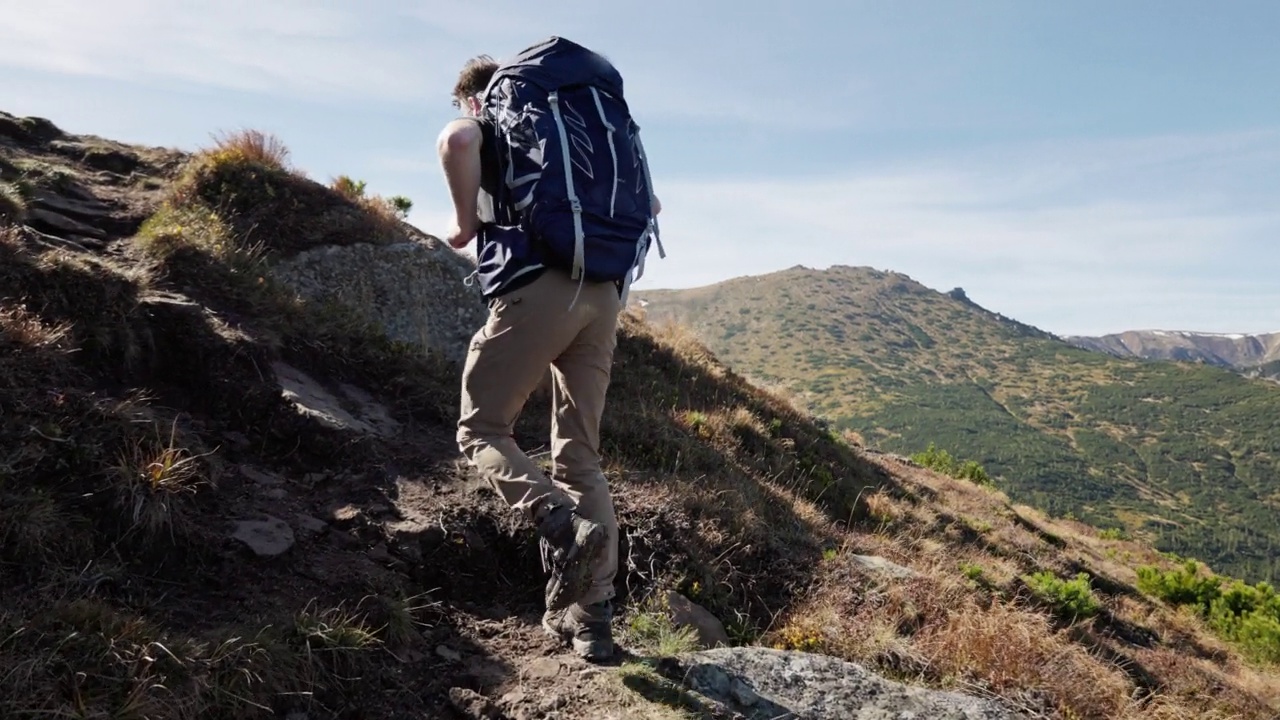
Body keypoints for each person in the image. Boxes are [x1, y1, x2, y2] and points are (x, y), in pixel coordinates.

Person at [436, 46, 662, 662]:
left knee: (481, 428)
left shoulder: (486, 119)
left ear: (477, 96)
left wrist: (462, 223)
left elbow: (456, 144)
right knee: (580, 459)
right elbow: (655, 208)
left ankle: (561, 525)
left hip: (538, 289)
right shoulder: (585, 124)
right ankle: (589, 623)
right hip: (604, 295)